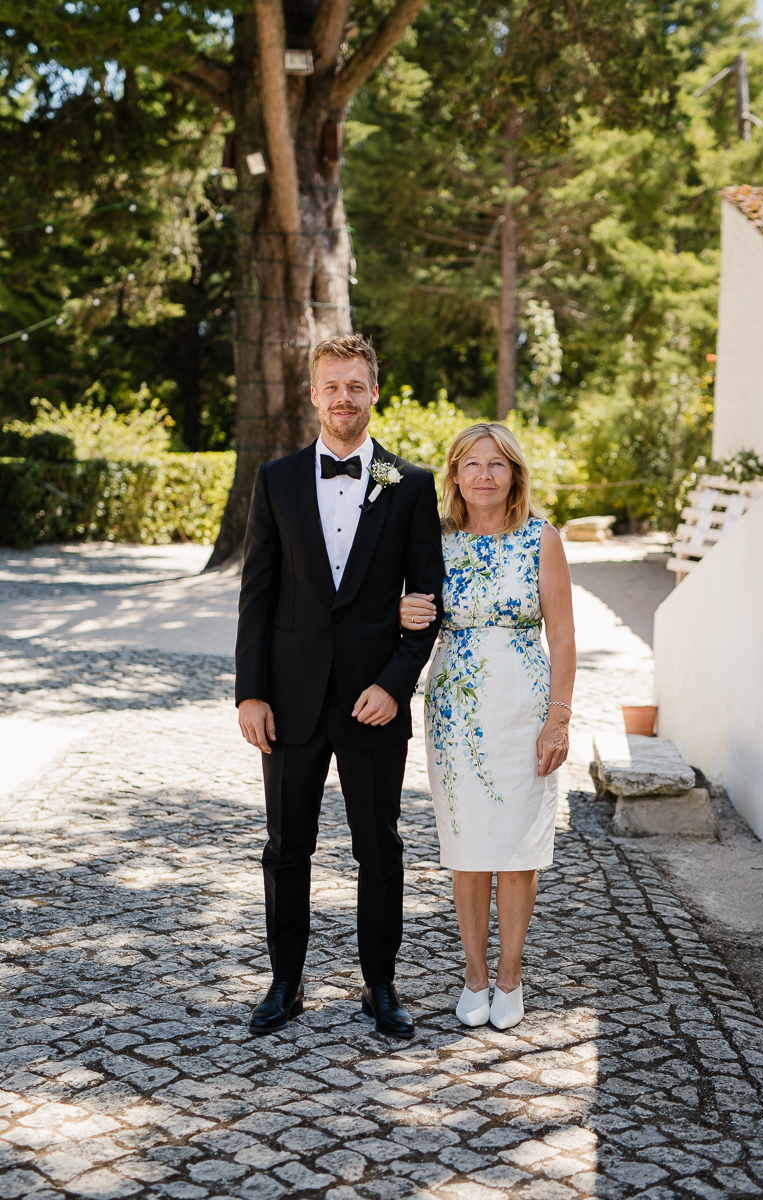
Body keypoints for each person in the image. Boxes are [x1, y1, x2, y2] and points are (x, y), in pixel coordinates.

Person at [235, 334, 444, 1039]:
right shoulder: (276, 479)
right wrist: (250, 693)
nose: (344, 398)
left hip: (372, 703)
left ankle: (380, 986)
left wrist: (395, 683)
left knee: (379, 847)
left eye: (356, 386)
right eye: (332, 386)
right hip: (289, 700)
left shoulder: (409, 485)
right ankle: (284, 983)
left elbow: (427, 602)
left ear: (374, 392)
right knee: (286, 846)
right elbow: (257, 596)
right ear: (315, 393)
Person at [400, 423, 575, 1030]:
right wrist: (402, 608)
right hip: (455, 708)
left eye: (496, 464)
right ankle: (474, 977)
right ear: (453, 475)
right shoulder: (436, 541)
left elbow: (564, 635)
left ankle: (510, 977)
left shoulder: (541, 538)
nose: (483, 474)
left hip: (525, 707)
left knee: (518, 847)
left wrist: (559, 717)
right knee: (468, 845)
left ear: (514, 475)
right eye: (470, 464)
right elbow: (407, 609)